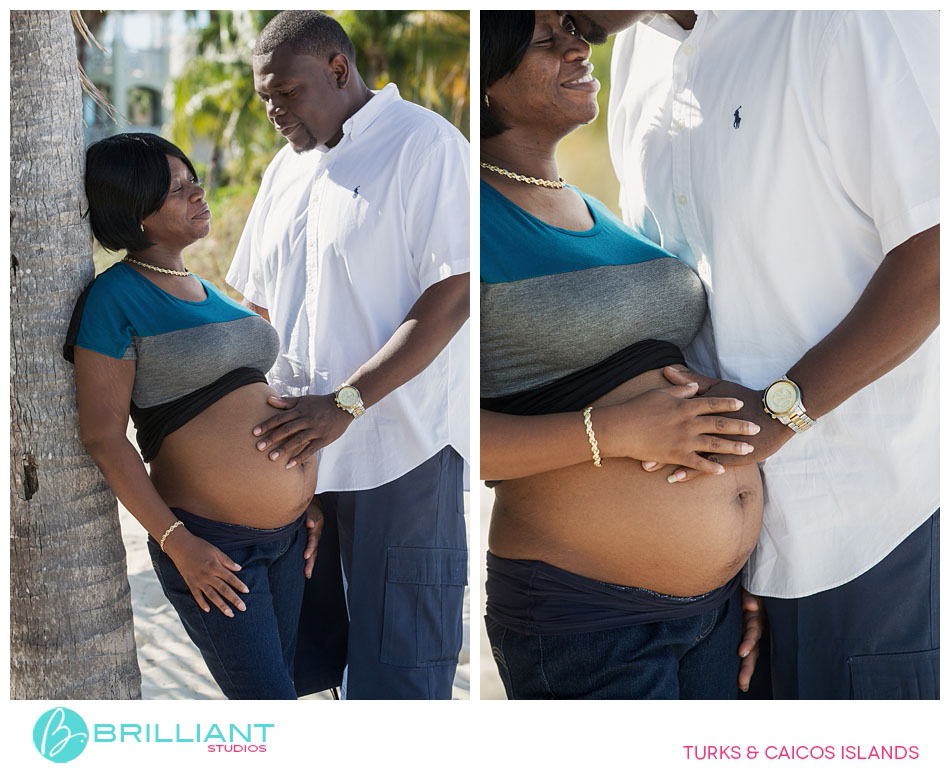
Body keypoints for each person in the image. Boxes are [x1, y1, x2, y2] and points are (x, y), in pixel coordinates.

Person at [567, 9, 939, 699]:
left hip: (880, 535)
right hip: (740, 566)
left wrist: (779, 412)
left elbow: (934, 254)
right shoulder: (637, 53)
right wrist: (739, 544)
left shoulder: (855, 20)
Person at [480, 10, 767, 700]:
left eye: (572, 30)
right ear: (487, 79)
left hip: (719, 612)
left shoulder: (591, 206)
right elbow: (449, 432)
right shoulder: (466, 214)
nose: (578, 47)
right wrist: (612, 431)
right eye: (545, 41)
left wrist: (740, 566)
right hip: (589, 620)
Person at [226, 10, 470, 700]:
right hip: (300, 462)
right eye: (264, 97)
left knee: (400, 678)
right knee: (311, 674)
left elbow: (455, 291)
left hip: (402, 455)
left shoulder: (425, 143)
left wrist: (345, 404)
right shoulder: (284, 170)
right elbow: (257, 313)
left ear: (339, 70)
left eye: (287, 92)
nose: (274, 111)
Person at [64, 132, 323, 700]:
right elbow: (103, 436)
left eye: (192, 180)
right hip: (212, 546)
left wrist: (301, 497)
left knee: (284, 698)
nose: (198, 193)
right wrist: (177, 542)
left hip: (289, 538)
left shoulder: (208, 288)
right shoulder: (114, 297)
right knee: (268, 706)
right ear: (134, 212)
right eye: (176, 189)